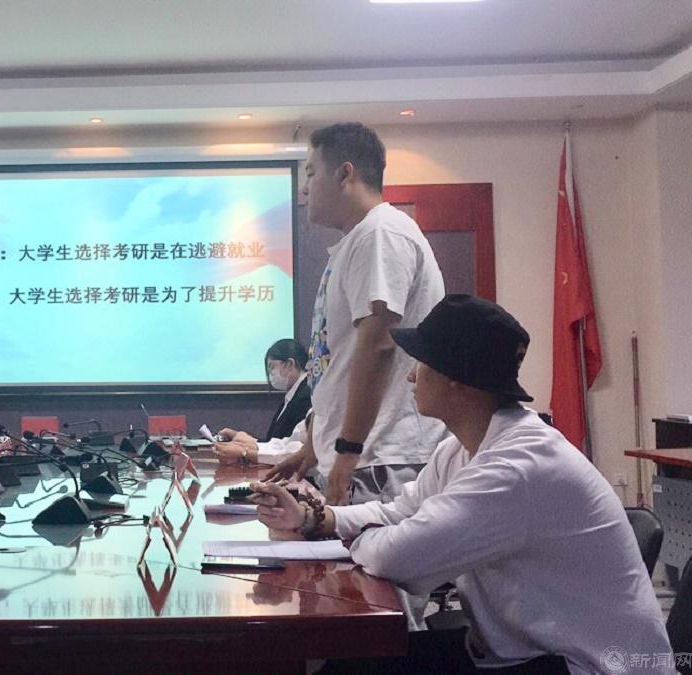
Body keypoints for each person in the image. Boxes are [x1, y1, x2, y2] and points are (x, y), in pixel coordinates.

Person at [250, 295, 672, 674]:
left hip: (581, 663)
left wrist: (355, 539)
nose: (411, 377)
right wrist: (312, 517)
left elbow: (400, 556)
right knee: (351, 665)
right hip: (519, 649)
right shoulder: (461, 448)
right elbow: (397, 513)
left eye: (421, 364)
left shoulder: (517, 466)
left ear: (458, 379)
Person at [267, 122, 448, 505]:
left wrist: (348, 450)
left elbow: (378, 345)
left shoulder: (380, 234)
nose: (304, 189)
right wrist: (314, 445)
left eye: (311, 173)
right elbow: (338, 361)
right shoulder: (359, 239)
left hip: (379, 456)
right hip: (361, 453)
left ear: (344, 173)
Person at [213, 338, 312, 465]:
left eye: (272, 367)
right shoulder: (294, 395)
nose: (270, 374)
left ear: (289, 364)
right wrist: (247, 442)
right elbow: (280, 444)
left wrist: (245, 451)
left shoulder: (305, 397)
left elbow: (291, 450)